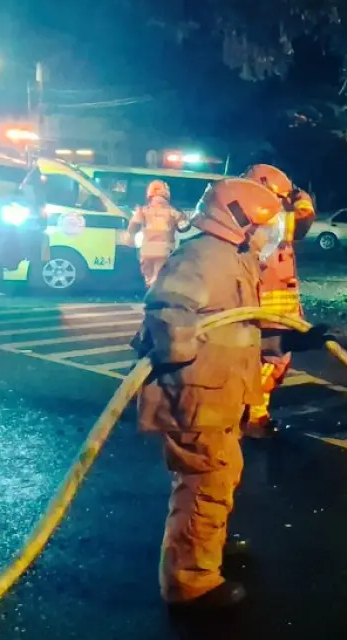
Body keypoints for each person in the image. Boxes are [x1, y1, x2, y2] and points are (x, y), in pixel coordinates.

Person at [133, 178, 294, 608]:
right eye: (262, 226)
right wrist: (183, 347)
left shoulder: (233, 257)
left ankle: (203, 556)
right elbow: (166, 309)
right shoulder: (205, 256)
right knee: (205, 484)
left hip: (217, 394)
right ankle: (192, 583)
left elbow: (237, 327)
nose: (267, 236)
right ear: (237, 219)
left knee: (216, 480)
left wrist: (287, 342)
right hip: (196, 396)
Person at [241, 163, 316, 438]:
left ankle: (248, 414)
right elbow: (306, 216)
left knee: (253, 358)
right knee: (274, 361)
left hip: (255, 301)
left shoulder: (244, 217)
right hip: (274, 306)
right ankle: (254, 417)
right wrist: (299, 194)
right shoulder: (275, 218)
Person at [127, 179, 190, 288]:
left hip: (146, 251)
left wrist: (131, 237)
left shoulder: (143, 210)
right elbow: (184, 227)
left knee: (149, 277)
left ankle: (149, 289)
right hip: (164, 251)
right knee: (160, 277)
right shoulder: (173, 212)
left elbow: (133, 227)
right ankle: (156, 295)